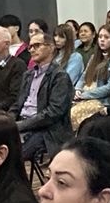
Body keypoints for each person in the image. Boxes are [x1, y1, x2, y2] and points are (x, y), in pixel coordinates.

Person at [13, 31, 73, 162]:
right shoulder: (28, 75)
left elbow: (53, 112)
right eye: (30, 47)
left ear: (51, 47)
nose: (32, 50)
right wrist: (7, 121)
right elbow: (18, 104)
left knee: (9, 155)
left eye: (37, 45)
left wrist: (22, 125)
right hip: (22, 124)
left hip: (47, 130)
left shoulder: (59, 76)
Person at [70, 26, 110, 132]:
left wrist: (84, 95)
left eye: (106, 37)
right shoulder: (95, 56)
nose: (102, 40)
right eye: (100, 36)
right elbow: (83, 76)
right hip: (86, 95)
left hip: (103, 101)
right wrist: (78, 90)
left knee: (73, 114)